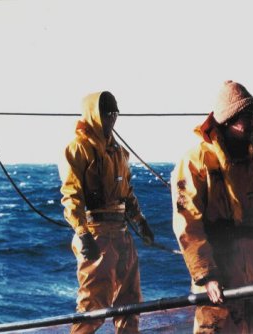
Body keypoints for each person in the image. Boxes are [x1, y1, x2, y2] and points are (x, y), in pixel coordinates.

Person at [171, 80, 253, 333]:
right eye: (240, 117)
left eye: (250, 116)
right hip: (221, 275)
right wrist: (207, 276)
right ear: (225, 122)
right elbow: (188, 224)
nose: (247, 124)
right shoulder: (195, 161)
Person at [60, 91, 154, 333]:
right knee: (93, 304)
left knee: (130, 302)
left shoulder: (119, 152)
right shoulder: (77, 149)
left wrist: (140, 220)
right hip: (95, 231)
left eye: (114, 113)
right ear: (93, 114)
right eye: (106, 113)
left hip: (122, 233)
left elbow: (127, 191)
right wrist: (82, 234)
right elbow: (71, 195)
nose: (111, 118)